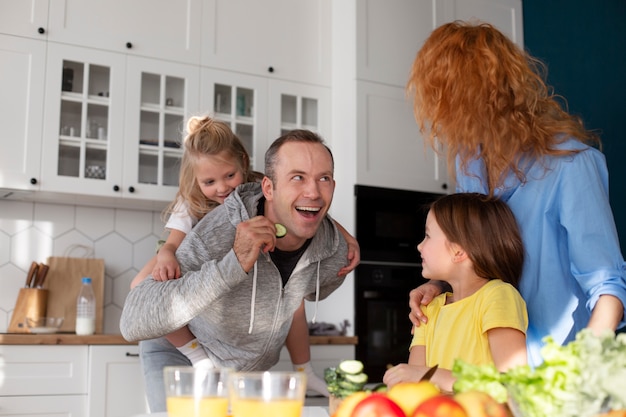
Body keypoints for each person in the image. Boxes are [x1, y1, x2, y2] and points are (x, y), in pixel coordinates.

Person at [405, 20, 626, 367]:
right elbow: (472, 252)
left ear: (489, 96)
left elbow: (608, 286)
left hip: (553, 367)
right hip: (489, 372)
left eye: (450, 102)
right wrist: (440, 284)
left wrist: (582, 370)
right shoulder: (470, 166)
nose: (443, 119)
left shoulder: (572, 166)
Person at [120, 129, 350, 412]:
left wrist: (345, 238)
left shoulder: (334, 254)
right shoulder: (212, 229)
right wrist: (234, 263)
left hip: (241, 370)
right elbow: (133, 318)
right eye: (298, 177)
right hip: (179, 354)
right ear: (269, 188)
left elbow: (297, 297)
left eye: (323, 178)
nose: (313, 191)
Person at [383, 193, 528, 392]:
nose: (419, 245)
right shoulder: (430, 308)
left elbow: (513, 384)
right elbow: (413, 389)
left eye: (427, 236)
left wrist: (430, 375)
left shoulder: (498, 297)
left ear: (458, 251)